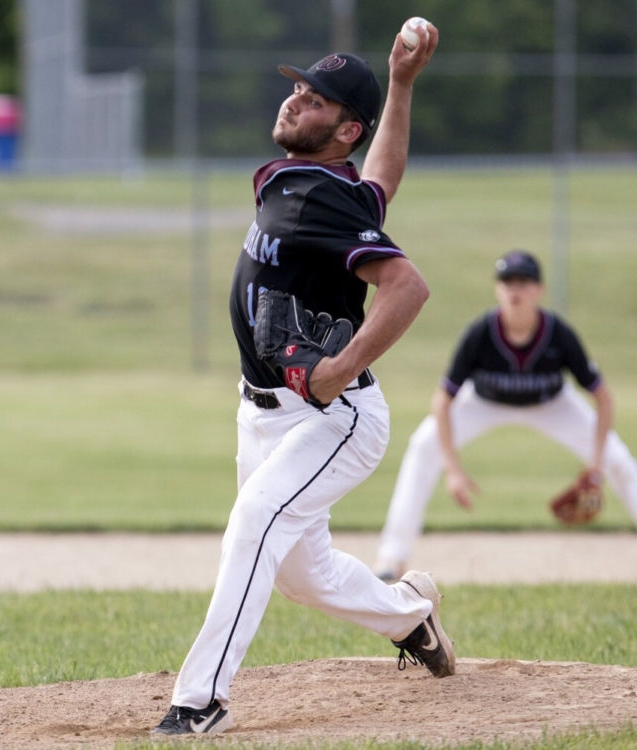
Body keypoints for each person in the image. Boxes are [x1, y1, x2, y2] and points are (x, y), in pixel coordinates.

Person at [153, 24, 453, 738]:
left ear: (345, 127)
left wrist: (340, 370)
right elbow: (381, 183)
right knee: (302, 576)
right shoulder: (322, 183)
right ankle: (412, 615)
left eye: (315, 100)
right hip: (263, 411)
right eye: (297, 88)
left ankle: (200, 702)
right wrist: (403, 81)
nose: (296, 101)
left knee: (254, 522)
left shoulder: (318, 193)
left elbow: (406, 286)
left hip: (333, 416)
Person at [373, 249, 637, 582]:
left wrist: (597, 466)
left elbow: (603, 397)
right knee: (423, 446)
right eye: (508, 282)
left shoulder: (558, 334)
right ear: (497, 289)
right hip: (484, 403)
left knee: (619, 461)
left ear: (538, 290)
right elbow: (443, 402)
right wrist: (453, 470)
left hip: (552, 404)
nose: (515, 290)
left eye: (524, 282)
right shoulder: (481, 333)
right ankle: (392, 555)